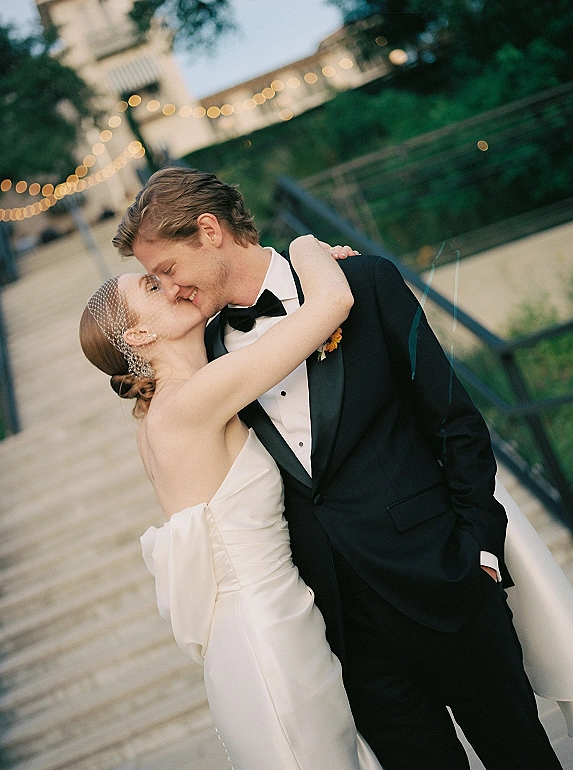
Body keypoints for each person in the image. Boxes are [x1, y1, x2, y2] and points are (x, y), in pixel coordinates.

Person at [111, 166, 564, 770]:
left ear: (210, 230)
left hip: (446, 582)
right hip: (347, 635)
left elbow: (454, 421)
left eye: (168, 270)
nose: (172, 290)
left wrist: (478, 551)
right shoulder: (208, 355)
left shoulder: (365, 282)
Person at [80, 235, 384, 769]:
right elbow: (333, 303)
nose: (172, 284)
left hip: (266, 624)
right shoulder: (192, 400)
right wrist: (305, 245)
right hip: (267, 637)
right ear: (140, 334)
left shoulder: (170, 405)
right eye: (153, 286)